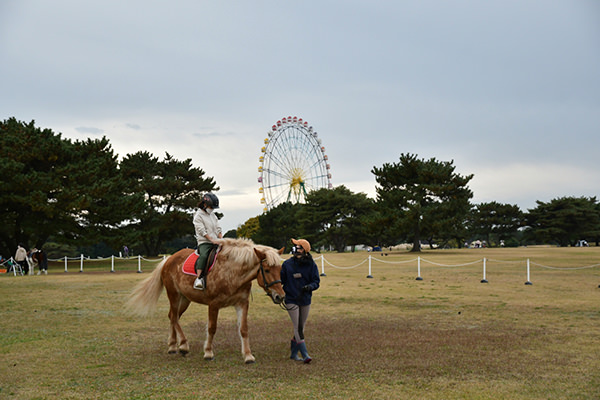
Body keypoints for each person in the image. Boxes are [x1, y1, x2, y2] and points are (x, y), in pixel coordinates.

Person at [281, 238, 320, 363]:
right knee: (297, 327)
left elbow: (316, 281)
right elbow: (281, 280)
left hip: (305, 299)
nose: (295, 248)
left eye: (298, 246)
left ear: (304, 250)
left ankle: (293, 354)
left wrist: (310, 287)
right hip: (291, 299)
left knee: (301, 327)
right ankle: (305, 355)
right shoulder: (287, 264)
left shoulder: (311, 265)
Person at [192, 193, 222, 290]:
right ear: (204, 205)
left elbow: (218, 228)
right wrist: (211, 240)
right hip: (204, 242)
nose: (212, 209)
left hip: (216, 241)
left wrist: (221, 239)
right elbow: (202, 231)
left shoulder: (212, 215)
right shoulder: (198, 216)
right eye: (210, 207)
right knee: (204, 255)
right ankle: (199, 278)